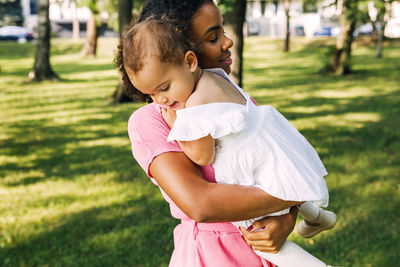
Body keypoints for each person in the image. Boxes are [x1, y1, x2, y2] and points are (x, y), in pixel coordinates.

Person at [122, 17, 337, 267]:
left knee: (278, 250)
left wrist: (178, 127)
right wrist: (292, 198)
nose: (160, 100)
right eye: (212, 37)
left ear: (190, 60)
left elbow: (203, 156)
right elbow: (201, 205)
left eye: (165, 88)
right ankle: (318, 217)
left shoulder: (193, 106)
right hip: (214, 251)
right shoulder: (216, 85)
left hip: (253, 224)